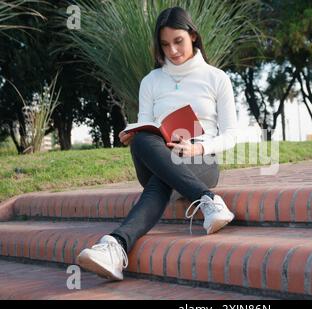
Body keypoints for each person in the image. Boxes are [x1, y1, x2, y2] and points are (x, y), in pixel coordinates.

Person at [76, 6, 238, 281]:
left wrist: (197, 148)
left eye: (178, 42)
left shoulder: (216, 78)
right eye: (165, 45)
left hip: (201, 159)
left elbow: (232, 134)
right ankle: (209, 200)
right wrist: (133, 133)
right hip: (160, 157)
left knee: (160, 185)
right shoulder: (151, 81)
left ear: (194, 37)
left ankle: (115, 247)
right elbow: (145, 124)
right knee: (142, 140)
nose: (172, 51)